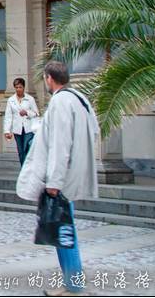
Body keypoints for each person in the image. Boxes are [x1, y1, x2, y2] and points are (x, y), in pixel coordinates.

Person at [17, 61, 98, 296]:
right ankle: (71, 282)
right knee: (63, 229)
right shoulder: (79, 98)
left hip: (63, 180)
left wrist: (54, 182)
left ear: (49, 79)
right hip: (72, 173)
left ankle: (73, 285)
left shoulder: (61, 101)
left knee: (64, 231)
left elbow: (60, 144)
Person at [3, 77, 40, 165]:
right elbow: (8, 116)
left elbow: (36, 113)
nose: (18, 89)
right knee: (20, 150)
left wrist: (27, 112)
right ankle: (24, 169)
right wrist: (7, 131)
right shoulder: (11, 100)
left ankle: (28, 169)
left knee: (26, 147)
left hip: (28, 128)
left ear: (23, 87)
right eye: (16, 87)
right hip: (17, 129)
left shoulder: (30, 99)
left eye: (20, 87)